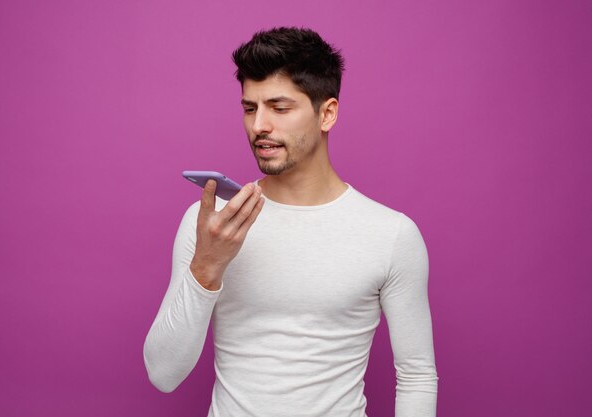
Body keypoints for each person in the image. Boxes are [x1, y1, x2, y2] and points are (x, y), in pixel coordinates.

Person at [143, 26, 439, 417]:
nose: (259, 126)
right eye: (250, 108)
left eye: (279, 108)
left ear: (327, 113)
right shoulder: (211, 223)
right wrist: (207, 267)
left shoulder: (391, 234)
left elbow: (416, 375)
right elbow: (163, 374)